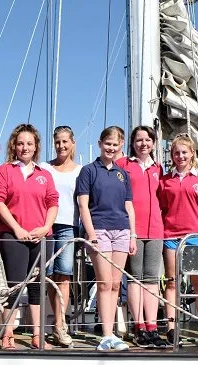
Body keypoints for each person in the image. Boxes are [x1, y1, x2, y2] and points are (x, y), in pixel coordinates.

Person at [0, 123, 58, 350]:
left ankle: (38, 335)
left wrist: (46, 227)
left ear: (36, 146)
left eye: (29, 143)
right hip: (13, 235)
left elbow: (53, 203)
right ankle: (8, 333)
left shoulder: (44, 174)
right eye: (20, 143)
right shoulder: (5, 170)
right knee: (15, 285)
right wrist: (17, 228)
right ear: (14, 146)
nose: (25, 147)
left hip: (40, 237)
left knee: (38, 286)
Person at [76, 126, 137, 351]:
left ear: (121, 147)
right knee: (103, 283)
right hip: (99, 229)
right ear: (100, 143)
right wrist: (91, 234)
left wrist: (133, 234)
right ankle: (107, 334)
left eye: (115, 144)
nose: (111, 148)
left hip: (121, 229)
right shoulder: (89, 171)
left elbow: (129, 206)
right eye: (107, 143)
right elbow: (83, 204)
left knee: (114, 283)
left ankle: (111, 332)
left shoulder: (123, 174)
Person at [159, 133, 198, 349]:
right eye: (176, 153)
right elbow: (162, 208)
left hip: (194, 237)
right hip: (171, 236)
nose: (180, 156)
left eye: (184, 152)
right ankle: (172, 328)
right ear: (172, 155)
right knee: (172, 282)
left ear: (192, 153)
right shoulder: (165, 180)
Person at [116, 125, 167, 348]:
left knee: (152, 279)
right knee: (135, 278)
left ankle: (152, 326)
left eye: (147, 140)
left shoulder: (159, 169)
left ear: (154, 143)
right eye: (139, 140)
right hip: (132, 230)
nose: (143, 143)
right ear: (132, 143)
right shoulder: (123, 165)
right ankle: (139, 326)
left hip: (156, 229)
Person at [39, 125, 81, 347]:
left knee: (64, 276)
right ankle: (48, 322)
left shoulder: (80, 171)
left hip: (68, 225)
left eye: (65, 141)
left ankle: (59, 325)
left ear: (72, 143)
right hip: (46, 224)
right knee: (47, 276)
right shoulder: (44, 168)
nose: (61, 146)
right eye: (57, 142)